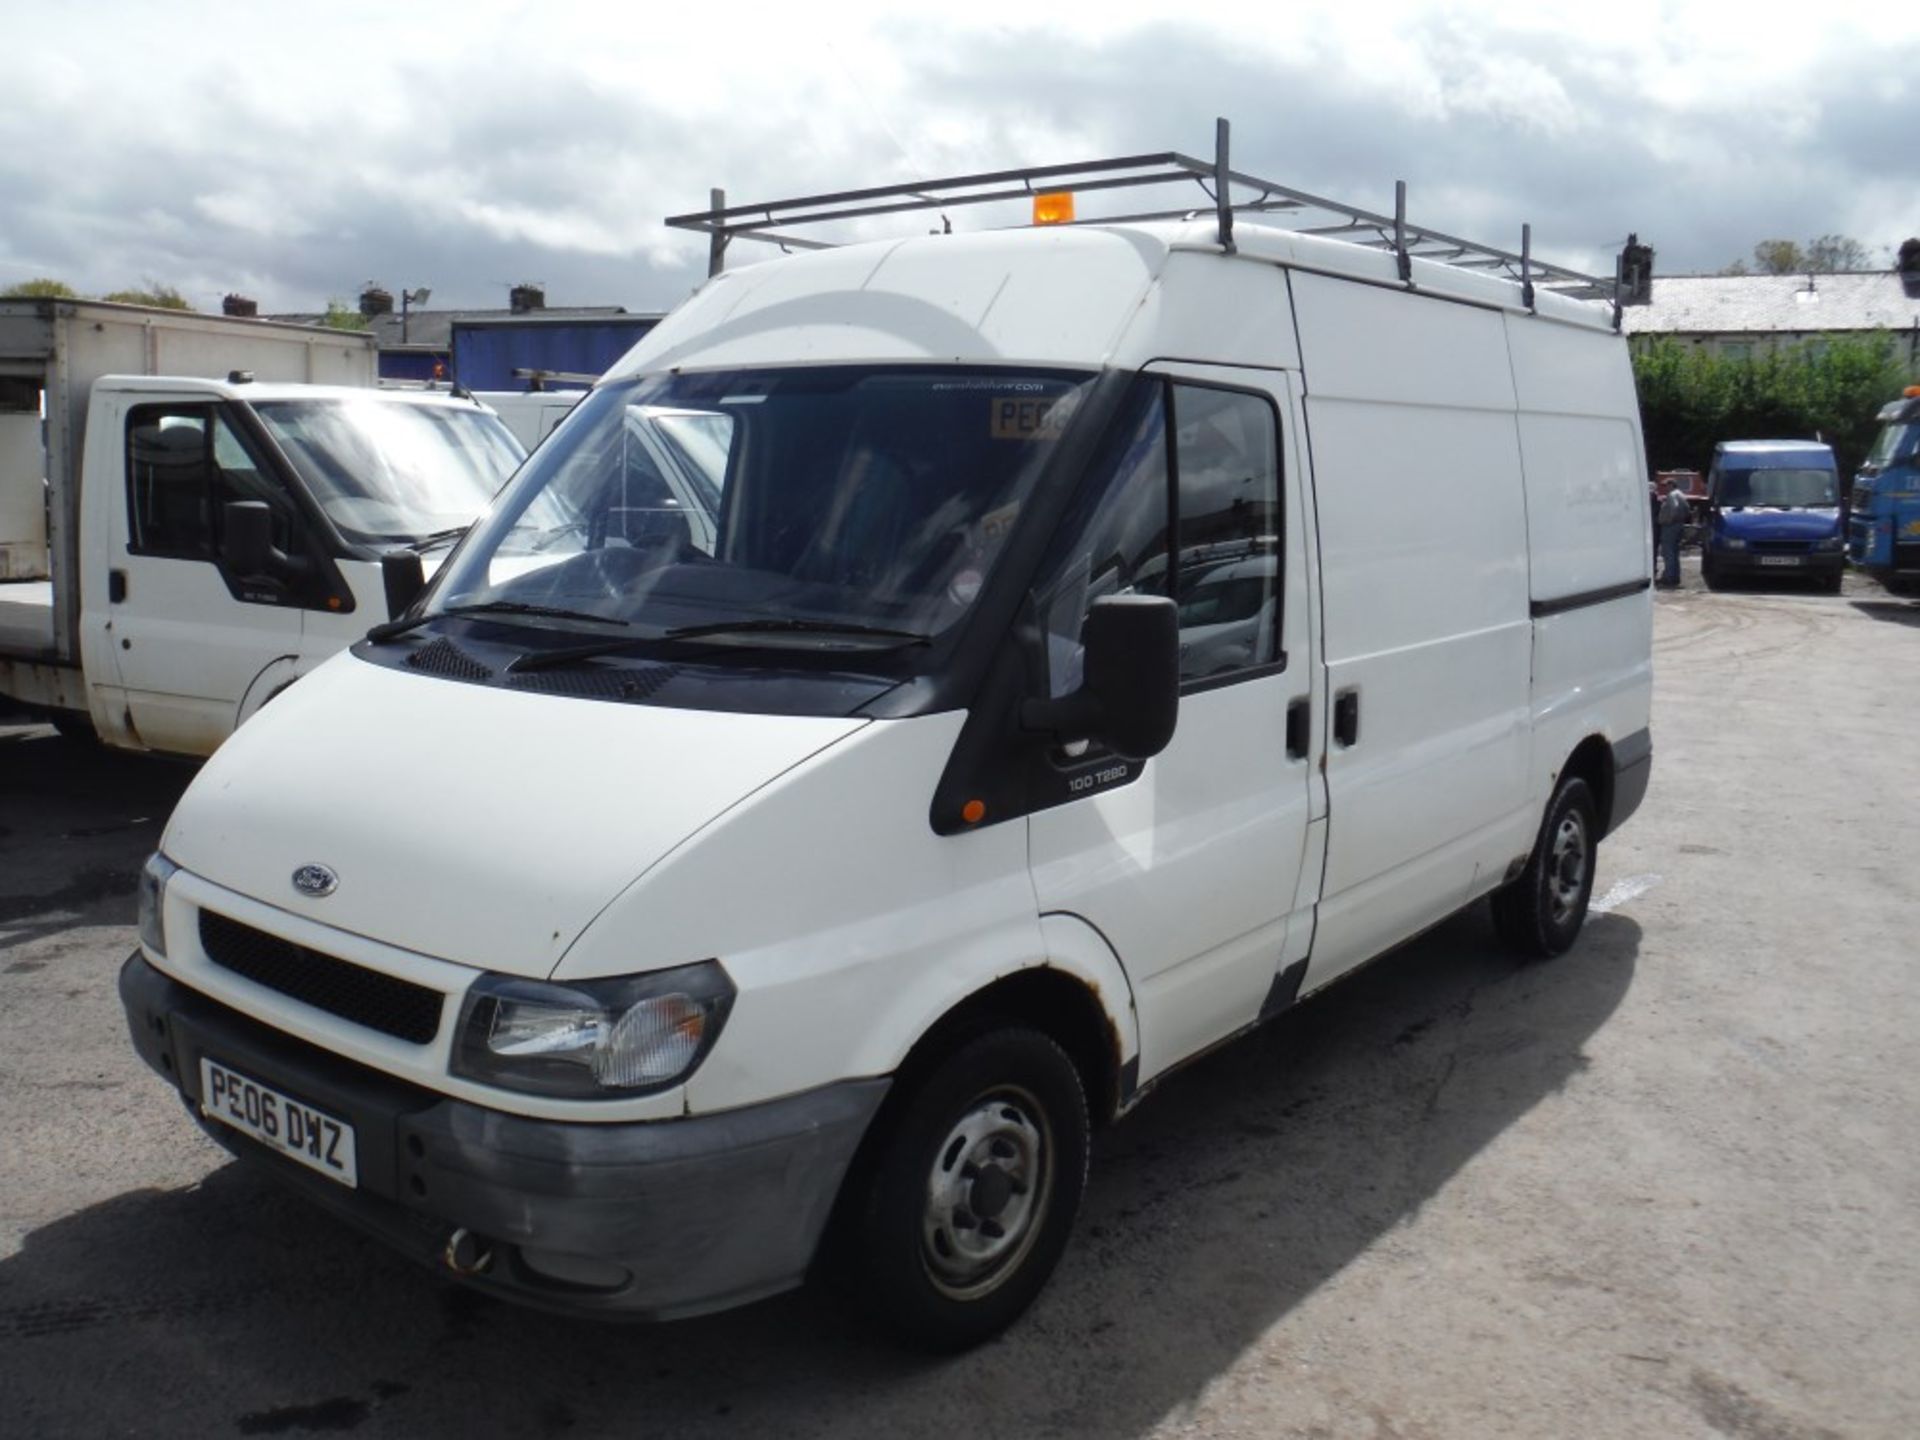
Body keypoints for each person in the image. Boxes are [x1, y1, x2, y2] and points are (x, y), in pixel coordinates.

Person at [1656, 477, 1690, 588]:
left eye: (1666, 485)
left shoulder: (1672, 495)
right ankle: (1675, 576)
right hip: (1679, 525)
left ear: (1671, 485)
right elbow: (1687, 509)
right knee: (1674, 552)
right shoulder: (1681, 494)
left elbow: (1674, 507)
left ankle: (1669, 577)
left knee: (1668, 552)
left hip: (1670, 527)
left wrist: (1670, 520)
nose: (1665, 488)